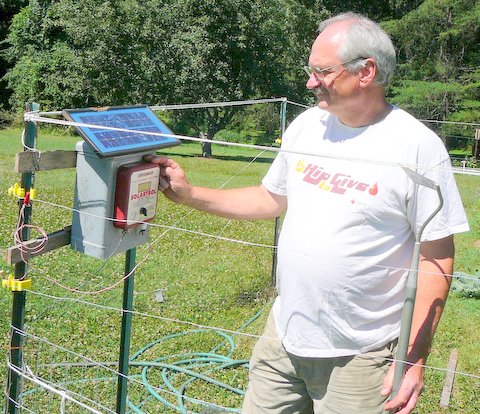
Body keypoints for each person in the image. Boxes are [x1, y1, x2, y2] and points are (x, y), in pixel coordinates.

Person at [146, 12, 469, 414]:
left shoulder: (417, 147)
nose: (310, 82)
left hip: (361, 356)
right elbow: (271, 198)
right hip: (283, 337)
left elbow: (436, 258)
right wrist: (191, 194)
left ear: (366, 72)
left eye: (322, 71)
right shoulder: (308, 125)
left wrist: (412, 358)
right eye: (310, 70)